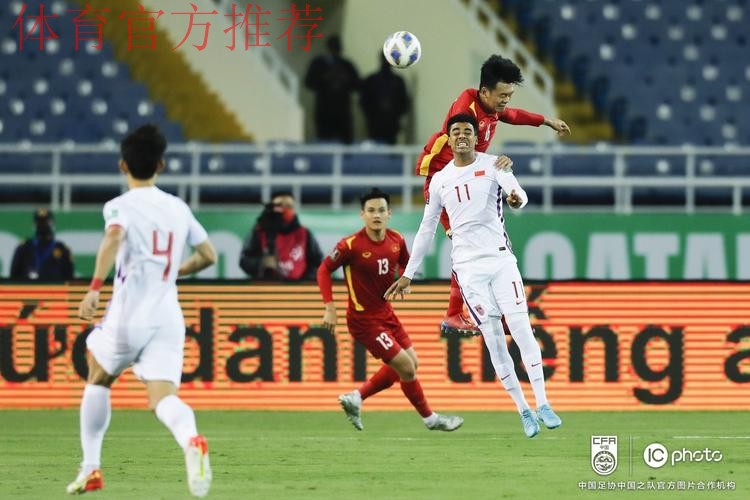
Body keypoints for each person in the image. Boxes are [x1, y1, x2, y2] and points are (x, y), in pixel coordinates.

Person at [386, 114, 562, 438]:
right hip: (468, 271)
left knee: (522, 329)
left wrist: (516, 200)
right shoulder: (440, 180)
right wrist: (409, 273)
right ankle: (524, 410)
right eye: (456, 132)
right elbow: (427, 228)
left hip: (501, 260)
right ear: (449, 139)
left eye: (467, 130)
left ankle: (544, 403)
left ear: (476, 135)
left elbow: (518, 193)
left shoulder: (495, 164)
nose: (462, 136)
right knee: (494, 341)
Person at [67, 125, 216, 496]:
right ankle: (191, 440)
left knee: (97, 373)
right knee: (162, 398)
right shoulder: (178, 207)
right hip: (167, 318)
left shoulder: (120, 206)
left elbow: (114, 236)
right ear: (161, 165)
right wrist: (173, 271)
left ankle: (91, 468)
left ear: (123, 165)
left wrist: (94, 288)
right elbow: (208, 256)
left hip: (129, 314)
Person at [417, 54, 571, 337]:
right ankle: (454, 314)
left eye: (509, 95)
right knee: (470, 249)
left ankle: (493, 312)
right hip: (447, 187)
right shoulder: (466, 115)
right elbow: (459, 161)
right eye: (502, 95)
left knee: (489, 249)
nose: (506, 101)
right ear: (485, 91)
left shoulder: (490, 105)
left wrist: (546, 121)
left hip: (466, 186)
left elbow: (512, 115)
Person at [317, 188, 463, 432]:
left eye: (381, 210)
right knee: (405, 366)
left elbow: (406, 263)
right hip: (363, 320)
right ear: (362, 214)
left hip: (386, 313)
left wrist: (406, 279)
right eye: (371, 210)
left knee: (411, 363)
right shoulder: (350, 245)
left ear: (389, 213)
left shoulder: (396, 240)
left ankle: (356, 397)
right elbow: (323, 270)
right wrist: (329, 307)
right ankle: (430, 419)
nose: (376, 215)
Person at [239, 191, 323, 281]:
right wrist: (261, 263)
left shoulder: (304, 233)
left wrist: (304, 281)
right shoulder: (260, 232)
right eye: (280, 205)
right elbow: (244, 260)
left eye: (288, 206)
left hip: (297, 288)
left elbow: (317, 262)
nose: (284, 209)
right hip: (266, 287)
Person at [304, 35, 360, 143]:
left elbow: (357, 85)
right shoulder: (319, 64)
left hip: (342, 113)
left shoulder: (346, 65)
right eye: (334, 46)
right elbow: (308, 82)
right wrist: (324, 78)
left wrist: (345, 79)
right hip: (324, 111)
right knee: (325, 143)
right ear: (328, 47)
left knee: (345, 145)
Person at [10, 208, 74, 280]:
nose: (42, 226)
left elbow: (70, 278)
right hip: (29, 286)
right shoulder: (24, 248)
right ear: (34, 225)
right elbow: (13, 276)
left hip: (54, 286)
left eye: (46, 222)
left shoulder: (62, 249)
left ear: (53, 224)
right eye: (39, 223)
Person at [360, 53, 410, 144]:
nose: (386, 61)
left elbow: (404, 102)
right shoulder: (371, 80)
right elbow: (364, 102)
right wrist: (372, 116)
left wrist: (396, 115)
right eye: (385, 58)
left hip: (392, 124)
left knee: (390, 148)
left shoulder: (398, 81)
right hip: (375, 124)